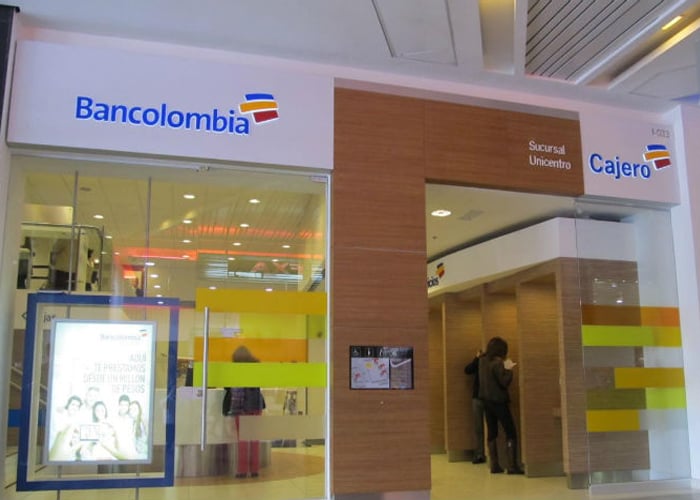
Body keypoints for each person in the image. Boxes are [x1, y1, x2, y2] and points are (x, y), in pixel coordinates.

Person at [478, 336, 524, 475]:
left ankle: (494, 465)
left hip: (486, 402)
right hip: (499, 402)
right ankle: (512, 466)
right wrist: (509, 369)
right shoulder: (497, 363)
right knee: (510, 432)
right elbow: (504, 382)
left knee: (492, 432)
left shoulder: (482, 361)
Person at [223, 346, 266, 478]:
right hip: (256, 406)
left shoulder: (236, 369)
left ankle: (242, 470)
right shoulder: (256, 367)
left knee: (243, 440)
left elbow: (228, 387)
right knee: (254, 439)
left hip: (241, 407)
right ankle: (254, 470)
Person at [464, 349, 486, 464]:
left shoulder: (493, 362)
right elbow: (468, 370)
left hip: (488, 398)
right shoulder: (479, 361)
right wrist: (477, 358)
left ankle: (484, 454)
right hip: (478, 397)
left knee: (487, 428)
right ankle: (480, 453)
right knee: (479, 428)